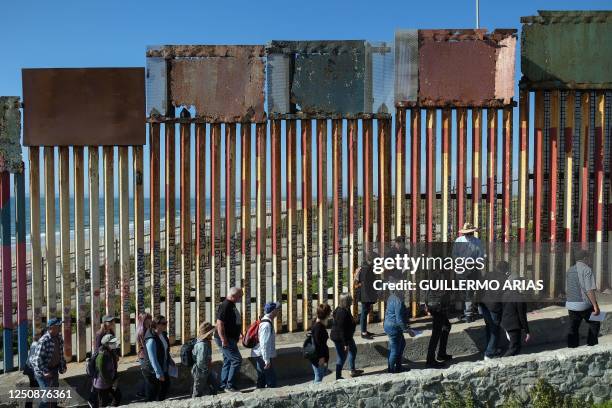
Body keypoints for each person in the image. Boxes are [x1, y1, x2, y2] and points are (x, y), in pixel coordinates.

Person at [565, 249, 601, 348]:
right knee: (596, 321)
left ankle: (572, 348)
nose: (590, 260)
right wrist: (595, 306)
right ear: (585, 258)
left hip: (571, 304)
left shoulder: (570, 270)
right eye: (589, 258)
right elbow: (589, 290)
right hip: (584, 304)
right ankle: (592, 345)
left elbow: (567, 288)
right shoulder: (587, 269)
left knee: (573, 327)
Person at [30, 318, 67, 408]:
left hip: (54, 370)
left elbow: (60, 353)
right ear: (52, 327)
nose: (60, 327)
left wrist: (63, 365)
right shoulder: (44, 340)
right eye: (58, 326)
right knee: (47, 397)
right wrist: (45, 372)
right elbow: (37, 359)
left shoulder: (58, 337)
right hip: (44, 373)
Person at [453, 222, 484, 323]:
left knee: (469, 291)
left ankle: (468, 313)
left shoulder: (477, 242)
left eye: (469, 232)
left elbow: (481, 256)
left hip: (471, 269)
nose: (468, 234)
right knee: (464, 291)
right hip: (462, 268)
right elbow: (454, 255)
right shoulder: (459, 241)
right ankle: (467, 312)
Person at [214, 287, 244, 392]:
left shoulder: (231, 305)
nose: (241, 297)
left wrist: (239, 332)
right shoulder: (225, 306)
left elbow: (232, 321)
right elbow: (219, 324)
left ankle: (223, 385)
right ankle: (229, 385)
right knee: (236, 360)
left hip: (230, 338)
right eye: (240, 296)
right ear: (233, 296)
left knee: (228, 360)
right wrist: (224, 339)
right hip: (226, 339)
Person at [479, 261, 509, 360]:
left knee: (489, 327)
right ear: (505, 270)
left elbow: (480, 288)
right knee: (495, 329)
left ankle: (491, 348)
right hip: (494, 307)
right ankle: (489, 353)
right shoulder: (504, 279)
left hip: (484, 305)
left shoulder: (488, 274)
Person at [330, 293, 363, 379]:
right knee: (341, 357)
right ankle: (338, 376)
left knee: (353, 350)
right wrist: (345, 344)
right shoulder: (342, 313)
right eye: (350, 300)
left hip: (347, 336)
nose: (352, 301)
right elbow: (341, 330)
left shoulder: (345, 309)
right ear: (346, 301)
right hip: (341, 338)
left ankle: (352, 370)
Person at [383, 279, 414, 373]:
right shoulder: (398, 301)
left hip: (390, 325)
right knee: (395, 349)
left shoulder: (392, 297)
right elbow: (399, 319)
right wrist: (408, 330)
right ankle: (392, 371)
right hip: (394, 327)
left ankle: (398, 367)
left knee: (401, 344)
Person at [142, 316, 175, 401]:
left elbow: (165, 350)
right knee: (152, 394)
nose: (166, 325)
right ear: (156, 325)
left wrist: (170, 359)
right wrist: (159, 373)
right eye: (163, 323)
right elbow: (153, 359)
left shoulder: (162, 334)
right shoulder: (151, 339)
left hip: (162, 367)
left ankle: (160, 403)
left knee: (166, 385)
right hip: (152, 371)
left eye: (166, 323)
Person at [424, 274, 452, 369]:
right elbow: (441, 291)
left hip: (436, 307)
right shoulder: (440, 275)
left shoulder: (435, 274)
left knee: (447, 326)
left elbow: (428, 290)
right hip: (438, 308)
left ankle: (441, 353)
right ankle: (430, 359)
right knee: (436, 333)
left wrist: (427, 304)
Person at [251, 302, 279, 388]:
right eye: (277, 309)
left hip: (260, 354)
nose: (278, 311)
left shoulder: (265, 321)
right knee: (271, 380)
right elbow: (264, 343)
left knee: (262, 378)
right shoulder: (266, 325)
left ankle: (260, 393)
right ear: (273, 311)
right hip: (262, 355)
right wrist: (266, 360)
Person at [89, 334, 121, 407]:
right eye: (112, 342)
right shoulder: (102, 355)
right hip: (102, 384)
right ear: (106, 344)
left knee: (117, 396)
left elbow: (113, 367)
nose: (115, 344)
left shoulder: (111, 352)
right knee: (103, 403)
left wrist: (115, 378)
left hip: (110, 381)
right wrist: (111, 383)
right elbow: (103, 372)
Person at [501, 281, 531, 356]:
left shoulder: (504, 295)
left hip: (505, 324)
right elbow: (522, 316)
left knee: (516, 347)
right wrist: (527, 331)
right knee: (514, 347)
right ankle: (502, 362)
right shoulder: (519, 297)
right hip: (513, 325)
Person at [353, 250, 379, 339]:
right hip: (364, 294)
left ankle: (364, 330)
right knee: (364, 312)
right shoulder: (361, 269)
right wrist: (363, 284)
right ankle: (363, 333)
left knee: (366, 311)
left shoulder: (369, 267)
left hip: (368, 293)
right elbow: (356, 284)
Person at [192, 322, 218, 397]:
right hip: (201, 371)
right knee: (197, 391)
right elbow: (200, 361)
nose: (212, 334)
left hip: (206, 369)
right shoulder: (202, 345)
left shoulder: (206, 342)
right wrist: (206, 369)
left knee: (213, 386)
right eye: (211, 332)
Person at [311, 303, 332, 383]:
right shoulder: (318, 328)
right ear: (327, 315)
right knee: (318, 377)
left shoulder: (318, 323)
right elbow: (318, 344)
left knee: (319, 375)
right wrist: (321, 358)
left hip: (318, 357)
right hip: (318, 358)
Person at [24, 330, 45, 408]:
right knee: (35, 387)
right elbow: (33, 360)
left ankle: (29, 405)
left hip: (30, 370)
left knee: (33, 388)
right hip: (32, 371)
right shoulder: (36, 345)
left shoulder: (34, 344)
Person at [136, 313, 152, 397]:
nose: (150, 320)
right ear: (144, 320)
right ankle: (144, 393)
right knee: (147, 376)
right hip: (144, 356)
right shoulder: (143, 331)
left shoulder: (144, 329)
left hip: (142, 355)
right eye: (149, 318)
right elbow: (145, 346)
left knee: (145, 376)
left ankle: (141, 392)